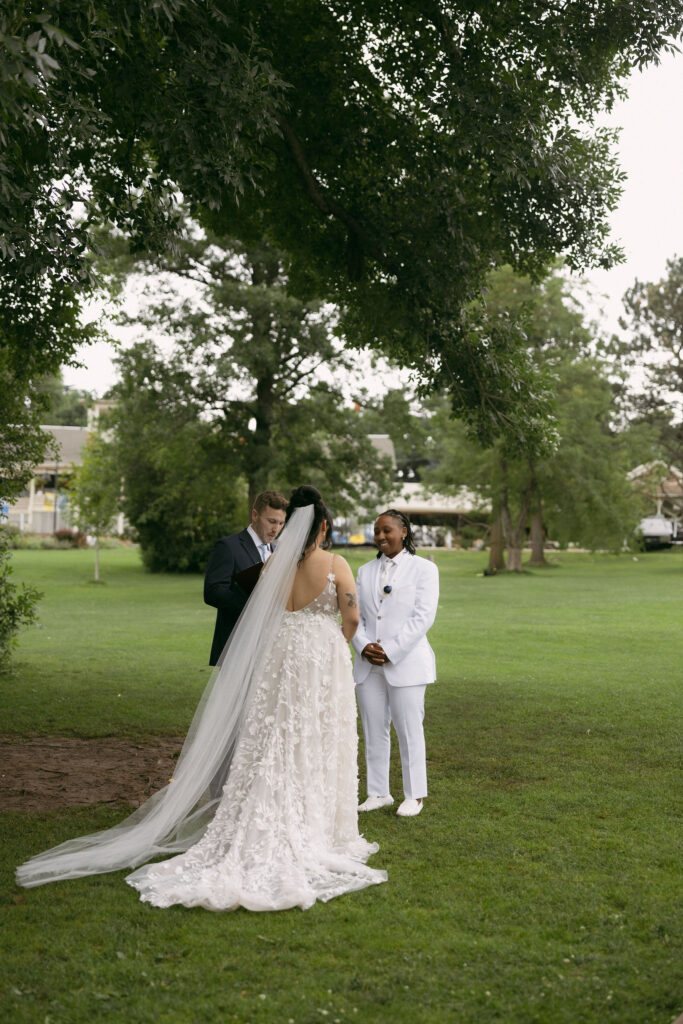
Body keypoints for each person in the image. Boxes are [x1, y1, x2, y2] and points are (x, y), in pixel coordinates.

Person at [17, 485, 387, 911]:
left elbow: (259, 614)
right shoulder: (336, 563)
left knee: (272, 737)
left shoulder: (273, 566)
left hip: (279, 658)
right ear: (323, 525)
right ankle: (317, 825)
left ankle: (255, 817)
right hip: (319, 663)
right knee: (314, 737)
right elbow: (353, 616)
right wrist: (330, 645)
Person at [352, 509, 439, 818]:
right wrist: (363, 647)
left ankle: (414, 795)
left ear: (404, 531)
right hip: (368, 665)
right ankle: (378, 792)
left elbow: (423, 618)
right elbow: (356, 617)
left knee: (408, 729)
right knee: (373, 729)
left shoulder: (424, 570)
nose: (380, 536)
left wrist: (389, 650)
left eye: (386, 530)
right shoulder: (363, 571)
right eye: (376, 531)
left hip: (406, 662)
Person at [204, 490, 289, 666]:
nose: (276, 529)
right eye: (272, 521)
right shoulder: (228, 547)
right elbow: (213, 592)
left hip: (271, 645)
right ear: (255, 515)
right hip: (237, 644)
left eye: (281, 523)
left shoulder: (278, 551)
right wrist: (253, 606)